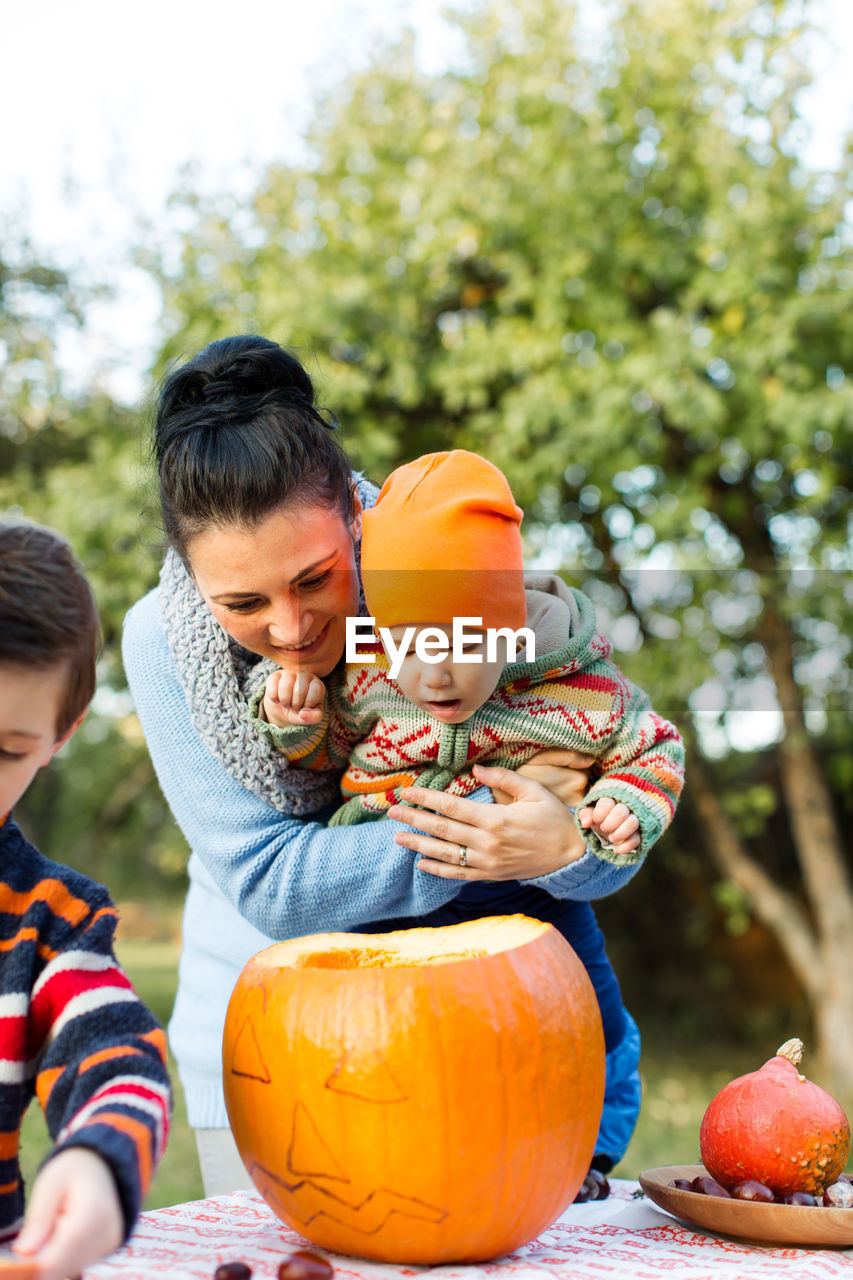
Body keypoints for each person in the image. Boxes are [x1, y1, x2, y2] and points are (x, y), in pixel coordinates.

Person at [123, 335, 648, 1196]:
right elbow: (269, 878)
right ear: (192, 578)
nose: (290, 629)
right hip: (273, 1032)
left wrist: (566, 847)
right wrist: (490, 826)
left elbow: (591, 794)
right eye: (243, 604)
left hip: (486, 1020)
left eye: (316, 579)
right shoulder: (160, 642)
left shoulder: (444, 571)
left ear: (358, 529)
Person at [252, 449, 683, 856]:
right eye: (409, 647)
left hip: (527, 892)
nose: (436, 674)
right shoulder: (366, 670)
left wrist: (625, 803)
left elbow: (656, 746)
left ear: (512, 634)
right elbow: (327, 756)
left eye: (464, 644)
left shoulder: (582, 689)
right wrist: (297, 721)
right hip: (384, 885)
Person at [0, 521, 172, 1280]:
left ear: (59, 736)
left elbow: (118, 1061)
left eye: (4, 751)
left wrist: (97, 1165)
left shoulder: (47, 923)